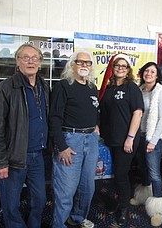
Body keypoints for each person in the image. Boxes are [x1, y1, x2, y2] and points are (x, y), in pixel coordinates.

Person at [0, 43, 49, 228]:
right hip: (14, 157)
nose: (30, 61)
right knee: (11, 204)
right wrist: (0, 162)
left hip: (38, 156)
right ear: (17, 62)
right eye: (25, 57)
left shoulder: (44, 86)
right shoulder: (5, 88)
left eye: (35, 58)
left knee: (40, 200)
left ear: (40, 63)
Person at [49, 50, 100, 228]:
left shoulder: (92, 88)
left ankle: (77, 217)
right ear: (72, 65)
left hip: (91, 140)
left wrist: (96, 125)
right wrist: (61, 146)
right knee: (66, 189)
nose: (84, 65)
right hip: (70, 139)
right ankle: (59, 224)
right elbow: (54, 117)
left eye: (88, 63)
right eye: (80, 62)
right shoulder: (63, 85)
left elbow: (94, 111)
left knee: (87, 186)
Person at [99, 53, 144, 226]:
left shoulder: (131, 87)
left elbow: (138, 113)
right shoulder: (108, 89)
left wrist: (130, 138)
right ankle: (120, 200)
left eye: (124, 66)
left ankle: (124, 207)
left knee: (121, 174)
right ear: (112, 68)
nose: (120, 68)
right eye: (117, 65)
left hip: (126, 139)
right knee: (116, 174)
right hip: (110, 138)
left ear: (128, 71)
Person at [131, 62, 162, 226]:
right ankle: (143, 196)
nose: (148, 73)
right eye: (146, 70)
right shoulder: (139, 90)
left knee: (154, 173)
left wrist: (153, 141)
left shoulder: (161, 91)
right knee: (143, 169)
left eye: (152, 71)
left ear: (157, 75)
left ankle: (157, 210)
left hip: (153, 138)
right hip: (139, 136)